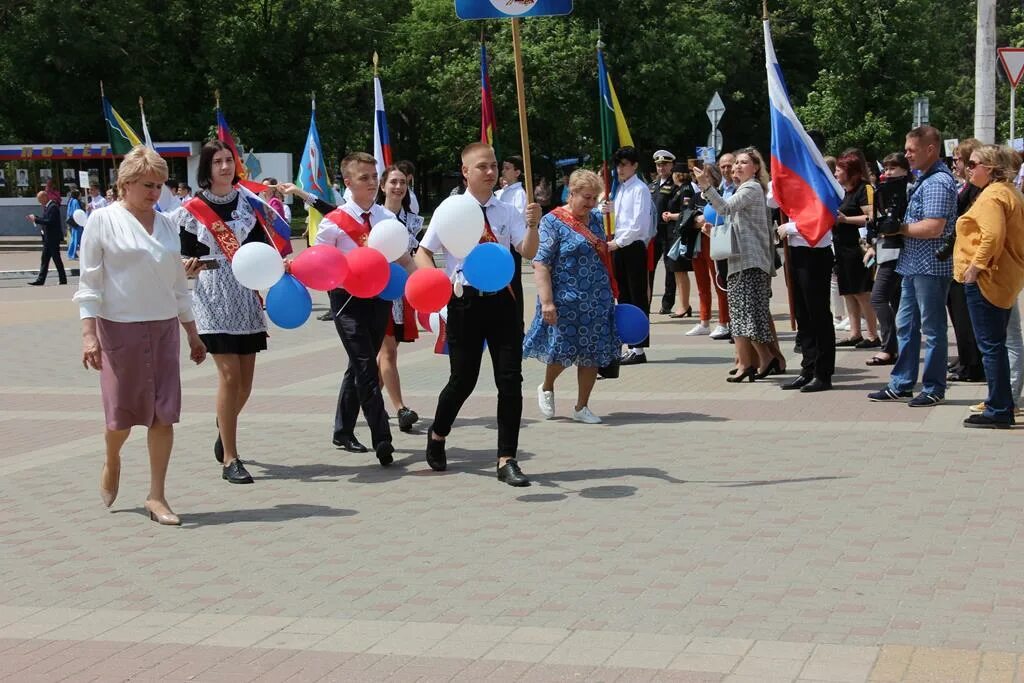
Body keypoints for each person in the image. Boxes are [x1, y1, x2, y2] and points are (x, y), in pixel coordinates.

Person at [73, 146, 207, 525]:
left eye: (161, 185)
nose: (155, 192)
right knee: (121, 417)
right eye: (148, 185)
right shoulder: (102, 221)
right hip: (119, 329)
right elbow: (90, 282)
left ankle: (157, 495)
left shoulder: (166, 225)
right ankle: (112, 457)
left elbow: (179, 285)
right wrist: (89, 334)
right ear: (126, 183)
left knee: (163, 415)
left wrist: (192, 333)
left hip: (163, 328)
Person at [415, 142, 541, 486]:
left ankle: (506, 459)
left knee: (510, 380)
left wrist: (533, 225)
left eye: (494, 165)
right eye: (482, 166)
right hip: (464, 303)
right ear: (466, 171)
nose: (490, 172)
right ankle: (438, 434)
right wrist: (437, 286)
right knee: (463, 379)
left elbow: (528, 251)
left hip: (504, 302)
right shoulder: (451, 209)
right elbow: (424, 251)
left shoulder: (507, 211)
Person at [298, 154, 418, 464]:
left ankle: (343, 430)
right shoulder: (333, 222)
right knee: (366, 365)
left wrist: (424, 282)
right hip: (347, 300)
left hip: (379, 298)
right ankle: (382, 438)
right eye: (364, 177)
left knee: (357, 365)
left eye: (373, 175)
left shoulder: (387, 220)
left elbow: (403, 258)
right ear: (348, 183)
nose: (372, 182)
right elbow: (319, 261)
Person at [174, 140, 271, 484]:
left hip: (245, 298)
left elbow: (262, 247)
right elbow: (180, 260)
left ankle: (223, 424)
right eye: (218, 161)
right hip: (212, 298)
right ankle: (231, 458)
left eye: (229, 160)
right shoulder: (191, 209)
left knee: (245, 384)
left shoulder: (248, 204)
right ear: (207, 168)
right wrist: (187, 266)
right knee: (229, 378)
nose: (225, 166)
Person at [868, 125, 958, 407]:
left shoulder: (938, 182)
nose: (906, 155)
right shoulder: (923, 178)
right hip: (913, 265)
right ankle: (902, 383)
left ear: (931, 149)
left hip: (931, 267)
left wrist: (899, 228)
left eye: (911, 150)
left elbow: (934, 227)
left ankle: (933, 387)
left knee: (932, 330)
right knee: (905, 325)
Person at [524, 169, 619, 424]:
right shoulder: (553, 221)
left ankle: (582, 406)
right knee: (562, 351)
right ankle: (546, 386)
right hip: (565, 299)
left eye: (593, 198)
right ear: (572, 193)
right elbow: (541, 262)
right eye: (585, 197)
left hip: (597, 299)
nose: (589, 203)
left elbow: (606, 252)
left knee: (592, 353)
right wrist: (547, 301)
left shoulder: (597, 220)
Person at [693, 148, 778, 383]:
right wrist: (715, 230)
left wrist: (705, 186)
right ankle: (753, 362)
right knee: (742, 315)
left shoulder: (751, 188)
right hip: (740, 260)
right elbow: (735, 222)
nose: (737, 167)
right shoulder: (744, 188)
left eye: (743, 163)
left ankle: (764, 359)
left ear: (756, 168)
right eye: (736, 163)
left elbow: (725, 208)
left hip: (750, 261)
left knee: (748, 314)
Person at [954, 144, 1024, 428]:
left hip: (988, 279)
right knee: (996, 345)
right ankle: (1001, 404)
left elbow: (993, 236)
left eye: (973, 164)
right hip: (1003, 277)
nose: (969, 169)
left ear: (991, 168)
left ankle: (998, 409)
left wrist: (974, 268)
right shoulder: (1008, 192)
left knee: (991, 347)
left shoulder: (994, 196)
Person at [375, 164, 423, 433]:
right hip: (375, 290)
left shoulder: (413, 222)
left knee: (384, 356)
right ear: (383, 186)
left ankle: (363, 402)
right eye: (393, 182)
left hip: (400, 292)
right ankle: (400, 408)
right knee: (388, 352)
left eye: (402, 182)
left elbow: (416, 257)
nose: (398, 187)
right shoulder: (372, 218)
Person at [606, 146, 656, 365]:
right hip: (619, 246)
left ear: (634, 165)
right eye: (618, 165)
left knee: (637, 295)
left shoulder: (640, 189)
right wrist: (607, 210)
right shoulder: (621, 189)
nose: (620, 169)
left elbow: (637, 224)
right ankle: (629, 342)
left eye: (624, 165)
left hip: (632, 246)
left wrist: (618, 242)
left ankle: (639, 347)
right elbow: (620, 218)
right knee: (623, 294)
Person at [864, 152, 910, 366]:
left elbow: (900, 222)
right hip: (885, 248)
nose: (888, 172)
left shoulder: (907, 190)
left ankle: (889, 347)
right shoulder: (882, 191)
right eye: (886, 168)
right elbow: (877, 222)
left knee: (878, 297)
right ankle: (899, 346)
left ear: (905, 169)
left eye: (893, 168)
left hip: (898, 250)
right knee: (896, 299)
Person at [947, 138, 986, 382]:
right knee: (958, 314)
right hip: (959, 260)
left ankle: (972, 366)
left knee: (966, 317)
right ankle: (965, 359)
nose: (956, 164)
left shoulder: (980, 191)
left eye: (959, 160)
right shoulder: (966, 187)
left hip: (971, 263)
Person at [833, 150, 879, 348]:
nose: (835, 174)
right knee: (848, 292)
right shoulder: (845, 191)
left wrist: (845, 220)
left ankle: (872, 334)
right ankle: (855, 333)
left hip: (858, 248)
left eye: (838, 170)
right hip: (842, 247)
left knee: (861, 292)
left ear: (850, 171)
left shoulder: (865, 189)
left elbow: (871, 217)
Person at [650, 150, 681, 315]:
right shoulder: (652, 186)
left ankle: (668, 302)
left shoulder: (675, 185)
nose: (661, 167)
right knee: (650, 268)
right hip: (654, 232)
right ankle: (646, 300)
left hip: (669, 231)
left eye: (665, 164)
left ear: (671, 165)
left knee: (670, 269)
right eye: (659, 164)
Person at [497, 155, 527, 322]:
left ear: (517, 172)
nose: (503, 171)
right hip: (500, 243)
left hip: (512, 244)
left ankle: (517, 320)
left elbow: (516, 218)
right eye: (503, 168)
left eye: (508, 168)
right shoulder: (502, 192)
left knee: (513, 283)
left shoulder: (519, 194)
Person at [26, 190, 67, 286]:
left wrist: (36, 219)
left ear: (45, 197)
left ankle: (63, 279)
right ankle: (40, 280)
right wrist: (35, 218)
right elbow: (45, 219)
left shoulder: (53, 207)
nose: (40, 202)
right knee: (44, 259)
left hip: (53, 238)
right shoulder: (48, 207)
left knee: (56, 259)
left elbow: (49, 221)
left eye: (40, 200)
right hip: (48, 239)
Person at [66, 188, 85, 260]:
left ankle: (73, 253)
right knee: (76, 238)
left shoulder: (71, 201)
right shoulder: (76, 202)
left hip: (73, 223)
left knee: (75, 238)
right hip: (77, 223)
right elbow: (78, 211)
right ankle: (71, 254)